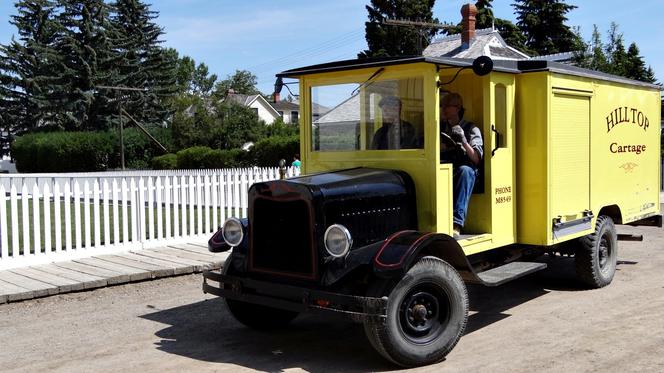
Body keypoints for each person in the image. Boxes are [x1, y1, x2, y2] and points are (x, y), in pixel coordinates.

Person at [440, 92, 483, 237]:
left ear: (458, 108)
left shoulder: (471, 128)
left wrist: (463, 140)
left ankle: (456, 223)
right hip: (446, 167)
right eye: (442, 106)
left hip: (468, 171)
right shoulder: (439, 128)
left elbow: (476, 158)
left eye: (447, 106)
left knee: (465, 171)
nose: (443, 109)